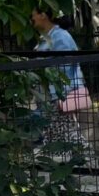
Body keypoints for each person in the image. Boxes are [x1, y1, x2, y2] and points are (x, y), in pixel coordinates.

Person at [32, 8, 89, 149]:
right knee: (60, 133)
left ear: (43, 15)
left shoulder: (60, 36)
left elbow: (67, 67)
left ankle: (83, 153)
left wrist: (61, 95)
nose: (31, 18)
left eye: (33, 14)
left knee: (63, 132)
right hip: (49, 95)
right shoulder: (48, 36)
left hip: (57, 95)